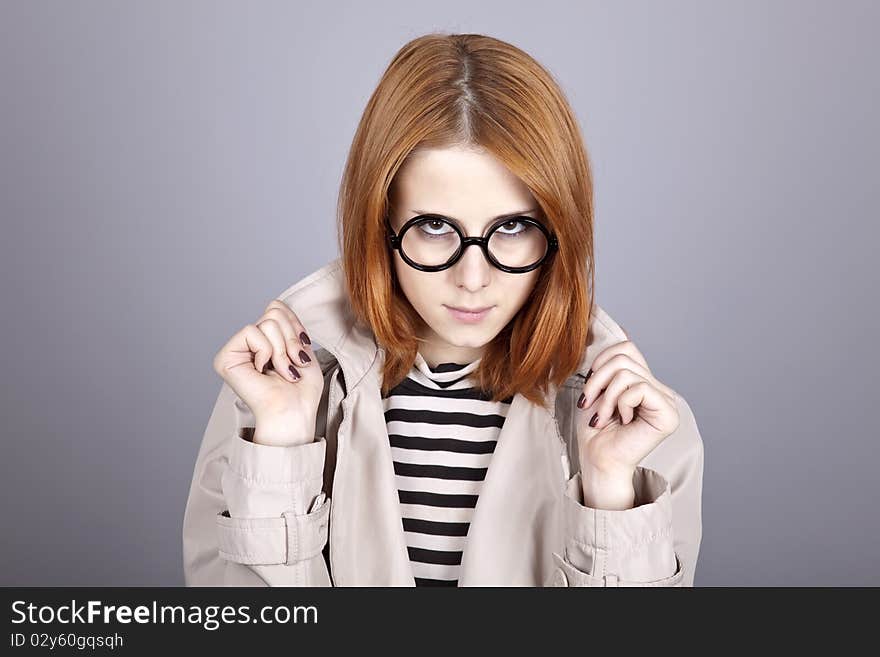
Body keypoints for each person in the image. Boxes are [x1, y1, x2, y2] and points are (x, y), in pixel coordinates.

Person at [183, 32, 704, 587]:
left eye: (512, 227)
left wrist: (609, 494)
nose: (473, 279)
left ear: (558, 231)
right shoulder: (271, 401)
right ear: (377, 223)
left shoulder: (640, 433)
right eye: (433, 226)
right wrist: (283, 444)